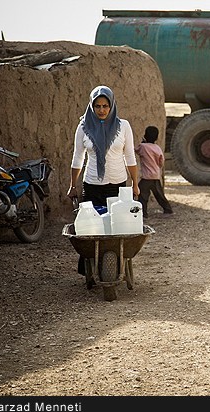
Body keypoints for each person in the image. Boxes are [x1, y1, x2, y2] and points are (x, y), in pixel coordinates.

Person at [67, 85, 139, 275]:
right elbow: (78, 158)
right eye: (97, 106)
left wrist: (136, 185)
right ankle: (90, 269)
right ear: (91, 106)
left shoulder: (123, 126)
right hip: (92, 186)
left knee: (116, 230)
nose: (101, 110)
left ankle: (115, 266)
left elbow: (130, 157)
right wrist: (73, 185)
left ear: (112, 105)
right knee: (91, 230)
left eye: (105, 106)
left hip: (117, 187)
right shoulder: (83, 127)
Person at [135, 125, 174, 218]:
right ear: (156, 137)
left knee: (142, 195)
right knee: (159, 194)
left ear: (145, 135)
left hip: (146, 177)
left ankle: (143, 214)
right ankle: (168, 209)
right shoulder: (157, 148)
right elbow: (161, 161)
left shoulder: (142, 146)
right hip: (156, 175)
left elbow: (135, 150)